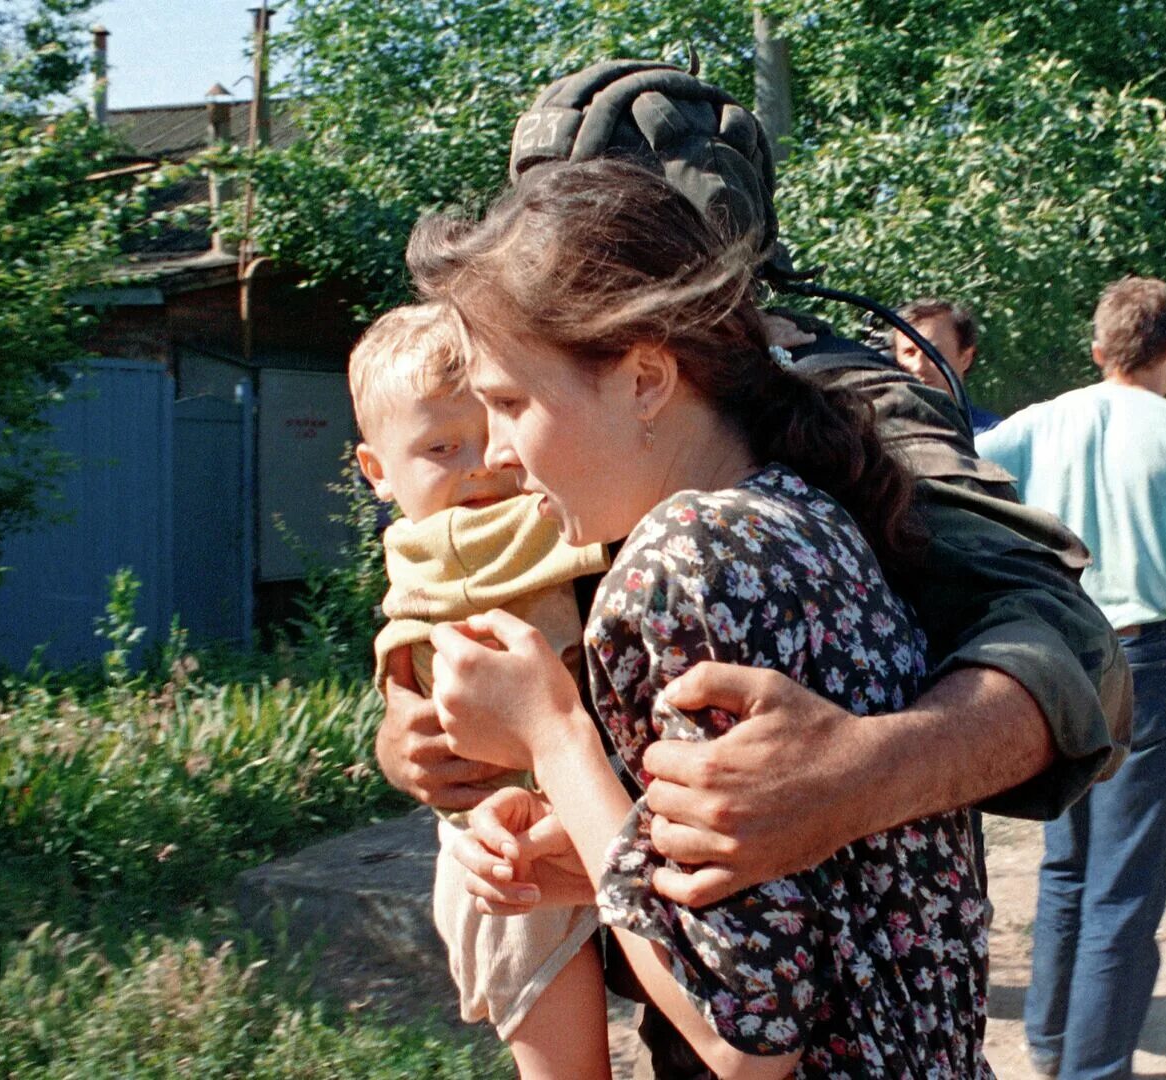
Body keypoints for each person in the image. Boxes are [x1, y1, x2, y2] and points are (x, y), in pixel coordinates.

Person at [375, 62, 1126, 948]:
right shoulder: (551, 391)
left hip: (812, 978)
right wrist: (412, 726)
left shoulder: (852, 401)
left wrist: (862, 773)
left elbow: (1076, 655)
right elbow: (462, 563)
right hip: (660, 933)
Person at [420, 159, 991, 1076]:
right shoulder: (799, 514)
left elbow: (743, 1041)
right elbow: (812, 895)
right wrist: (580, 836)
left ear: (645, 376)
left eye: (511, 403)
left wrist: (550, 732)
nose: (495, 455)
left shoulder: (685, 562)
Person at [978, 277, 1166, 1079]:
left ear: (1098, 351)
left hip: (1054, 654)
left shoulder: (1037, 423)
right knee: (1123, 883)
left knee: (1067, 864)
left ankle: (1051, 1039)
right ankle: (1094, 1069)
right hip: (1142, 656)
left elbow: (955, 468)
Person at [348, 303, 613, 1077]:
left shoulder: (423, 541)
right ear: (377, 472)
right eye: (440, 446)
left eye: (497, 423)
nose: (482, 464)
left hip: (535, 820)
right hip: (503, 848)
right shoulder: (469, 535)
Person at [893, 297, 1002, 433]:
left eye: (932, 353)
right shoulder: (870, 433)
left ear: (965, 358)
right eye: (909, 353)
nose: (919, 367)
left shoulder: (994, 436)